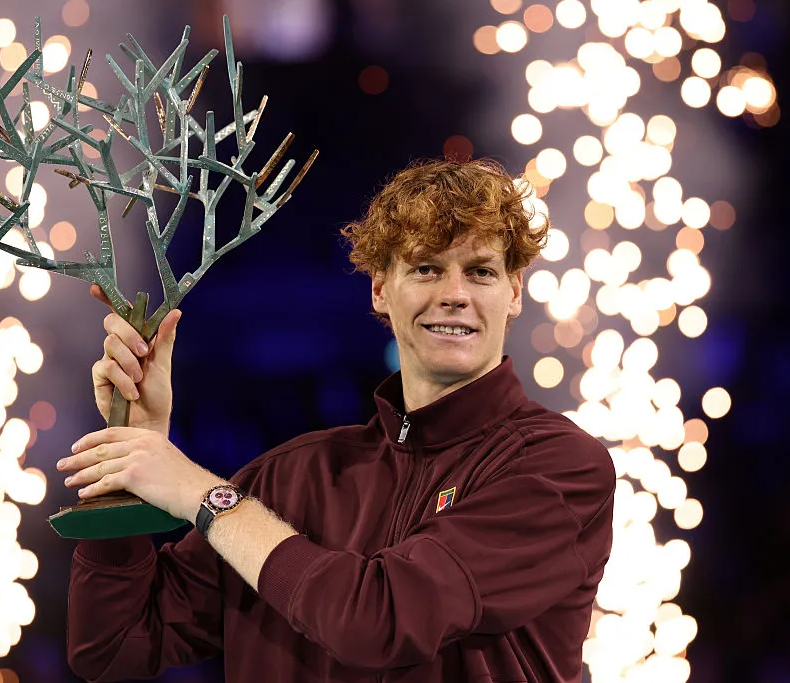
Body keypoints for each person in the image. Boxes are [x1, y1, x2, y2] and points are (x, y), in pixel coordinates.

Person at [56, 158, 615, 682]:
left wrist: (203, 494)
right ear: (380, 289)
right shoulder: (291, 476)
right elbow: (113, 646)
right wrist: (133, 450)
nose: (454, 295)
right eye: (425, 268)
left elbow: (378, 620)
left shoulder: (558, 468)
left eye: (481, 272)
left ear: (514, 292)